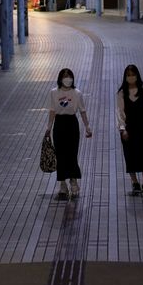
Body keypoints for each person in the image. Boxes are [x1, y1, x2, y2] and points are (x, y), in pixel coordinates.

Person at [45, 67, 92, 200]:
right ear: (60, 79)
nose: (68, 79)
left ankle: (73, 180)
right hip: (59, 124)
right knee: (60, 155)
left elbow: (82, 111)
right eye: (65, 77)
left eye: (69, 76)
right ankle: (62, 184)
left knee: (72, 154)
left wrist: (87, 126)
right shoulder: (54, 92)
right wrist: (49, 127)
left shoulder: (77, 93)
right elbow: (52, 110)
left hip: (72, 124)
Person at [115, 64, 143, 197]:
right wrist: (122, 129)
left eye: (133, 75)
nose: (131, 77)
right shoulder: (122, 93)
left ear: (137, 75)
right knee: (129, 155)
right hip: (128, 129)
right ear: (125, 77)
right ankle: (135, 183)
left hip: (142, 128)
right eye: (128, 75)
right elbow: (120, 112)